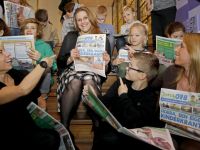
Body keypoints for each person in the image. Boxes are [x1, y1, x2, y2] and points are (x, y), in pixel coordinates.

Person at [57, 7, 111, 149]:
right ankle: (65, 129)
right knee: (75, 80)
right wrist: (70, 58)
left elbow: (106, 69)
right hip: (71, 70)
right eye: (79, 19)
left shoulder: (102, 37)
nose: (83, 22)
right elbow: (60, 61)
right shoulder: (70, 36)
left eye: (85, 18)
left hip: (92, 71)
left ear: (91, 18)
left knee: (88, 79)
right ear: (76, 22)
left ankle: (98, 128)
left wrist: (106, 62)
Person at [82, 52, 160, 150]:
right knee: (109, 138)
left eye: (131, 66)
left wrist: (123, 95)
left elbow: (136, 121)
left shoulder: (150, 96)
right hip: (114, 129)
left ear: (142, 76)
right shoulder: (120, 82)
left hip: (134, 133)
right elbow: (104, 103)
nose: (126, 68)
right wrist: (93, 96)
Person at [0, 46, 60, 150]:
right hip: (7, 135)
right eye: (0, 52)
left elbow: (40, 102)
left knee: (53, 137)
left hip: (28, 128)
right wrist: (43, 63)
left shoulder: (20, 74)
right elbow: (22, 90)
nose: (8, 54)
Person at [151, 33, 200, 150]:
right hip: (168, 131)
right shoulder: (171, 71)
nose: (176, 49)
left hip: (194, 137)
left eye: (181, 46)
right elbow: (151, 88)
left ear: (194, 52)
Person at [20, 18, 57, 110]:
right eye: (26, 28)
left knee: (46, 68)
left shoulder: (45, 46)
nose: (29, 30)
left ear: (38, 32)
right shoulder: (18, 44)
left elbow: (54, 66)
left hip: (42, 78)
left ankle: (43, 100)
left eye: (33, 28)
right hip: (22, 77)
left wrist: (40, 58)